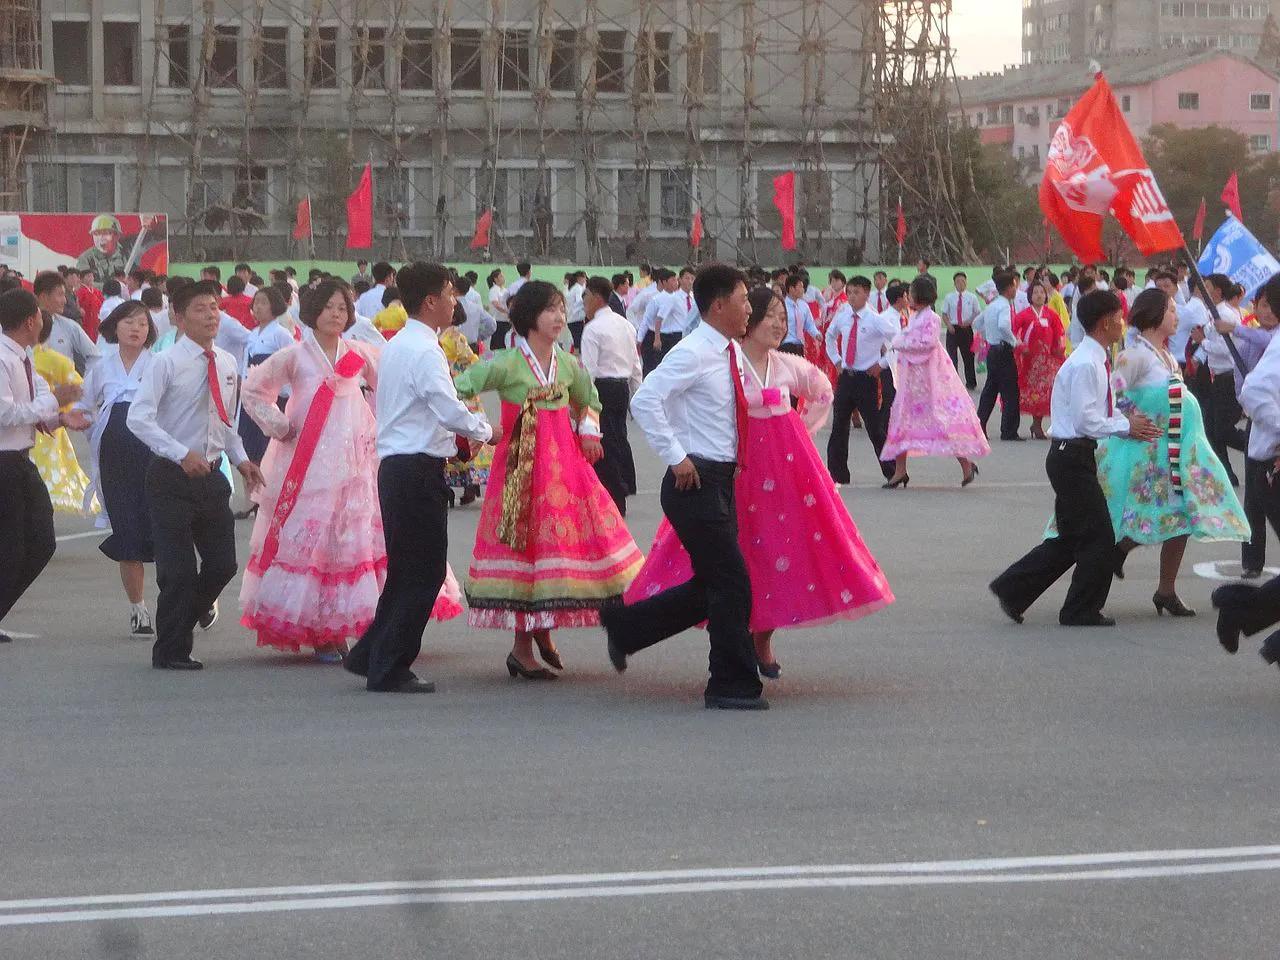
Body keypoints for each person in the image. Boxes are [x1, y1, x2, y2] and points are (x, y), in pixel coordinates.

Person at [626, 286, 894, 679]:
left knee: (780, 550)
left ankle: (762, 638)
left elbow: (823, 390)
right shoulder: (725, 361)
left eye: (783, 318)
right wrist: (683, 447)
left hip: (785, 471)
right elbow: (680, 402)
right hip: (738, 470)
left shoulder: (786, 364)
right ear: (748, 319)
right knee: (734, 555)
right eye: (771, 316)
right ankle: (705, 637)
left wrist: (799, 430)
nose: (779, 324)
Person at [238, 281, 462, 663]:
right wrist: (280, 426)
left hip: (357, 457)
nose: (336, 314)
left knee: (356, 537)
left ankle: (369, 625)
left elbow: (392, 383)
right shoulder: (293, 356)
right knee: (318, 540)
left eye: (342, 307)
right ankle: (323, 632)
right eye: (328, 307)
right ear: (313, 310)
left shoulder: (359, 353)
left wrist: (388, 419)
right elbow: (253, 390)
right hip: (308, 459)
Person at [452, 280, 643, 680]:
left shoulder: (568, 364)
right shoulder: (506, 362)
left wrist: (588, 432)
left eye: (561, 309)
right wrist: (479, 428)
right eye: (550, 310)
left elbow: (590, 400)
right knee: (526, 552)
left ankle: (543, 631)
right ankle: (522, 647)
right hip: (521, 471)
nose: (559, 317)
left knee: (561, 547)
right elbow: (458, 386)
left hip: (565, 471)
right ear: (528, 317)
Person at [603, 263, 766, 710]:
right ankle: (731, 684)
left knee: (713, 584)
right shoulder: (693, 351)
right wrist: (676, 456)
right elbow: (646, 399)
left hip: (720, 481)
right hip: (695, 483)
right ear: (719, 306)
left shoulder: (728, 352)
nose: (749, 309)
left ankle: (626, 628)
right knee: (732, 584)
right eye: (744, 301)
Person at [343, 262, 497, 694]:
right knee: (424, 573)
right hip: (415, 469)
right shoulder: (426, 350)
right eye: (449, 293)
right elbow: (447, 407)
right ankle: (390, 666)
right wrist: (487, 431)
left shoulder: (400, 344)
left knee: (406, 571)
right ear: (430, 301)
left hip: (399, 467)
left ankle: (371, 653)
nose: (454, 301)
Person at [990, 290, 1161, 628]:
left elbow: (1096, 414)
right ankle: (1079, 610)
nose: (1123, 323)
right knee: (1100, 537)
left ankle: (1013, 588)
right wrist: (1126, 426)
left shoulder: (1094, 359)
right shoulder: (1086, 363)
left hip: (1074, 455)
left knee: (1071, 538)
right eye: (1119, 317)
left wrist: (1127, 424)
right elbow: (1086, 421)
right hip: (1071, 456)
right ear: (1105, 322)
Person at [127, 280, 266, 671]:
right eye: (201, 309)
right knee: (178, 572)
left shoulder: (226, 361)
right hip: (170, 476)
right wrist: (180, 452)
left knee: (223, 565)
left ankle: (175, 631)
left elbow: (225, 420)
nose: (211, 315)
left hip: (211, 477)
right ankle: (171, 651)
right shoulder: (165, 362)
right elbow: (138, 418)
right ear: (179, 317)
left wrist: (241, 459)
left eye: (215, 307)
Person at [1097, 288, 1248, 615]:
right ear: (1154, 315)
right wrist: (1130, 419)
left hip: (1173, 454)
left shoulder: (1164, 355)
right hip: (1147, 456)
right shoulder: (1134, 355)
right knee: (1152, 516)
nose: (1176, 315)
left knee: (1179, 519)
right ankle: (1117, 552)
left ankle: (1165, 590)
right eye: (1170, 310)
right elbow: (1112, 393)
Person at [0, 289, 88, 644]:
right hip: (5, 462)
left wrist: (60, 418)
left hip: (20, 459)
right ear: (29, 321)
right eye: (39, 314)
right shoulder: (3, 359)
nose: (42, 320)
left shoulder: (24, 357)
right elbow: (7, 414)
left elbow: (35, 410)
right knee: (14, 546)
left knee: (41, 542)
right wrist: (55, 399)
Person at [73, 300, 158, 637]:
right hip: (115, 458)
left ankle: (192, 597)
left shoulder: (160, 364)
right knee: (127, 531)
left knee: (165, 531)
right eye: (129, 322)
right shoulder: (101, 367)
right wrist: (83, 421)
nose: (136, 329)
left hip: (154, 455)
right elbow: (84, 405)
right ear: (114, 327)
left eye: (142, 323)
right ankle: (138, 609)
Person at [880, 276, 989, 488]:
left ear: (919, 295)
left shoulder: (932, 318)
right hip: (911, 381)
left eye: (911, 293)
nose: (908, 297)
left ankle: (966, 464)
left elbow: (927, 344)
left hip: (930, 380)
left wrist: (901, 342)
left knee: (943, 421)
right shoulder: (915, 316)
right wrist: (901, 341)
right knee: (902, 422)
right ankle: (900, 470)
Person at [1225, 276, 1280, 578]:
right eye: (1263, 305)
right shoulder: (1268, 341)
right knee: (1253, 503)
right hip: (1269, 449)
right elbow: (1251, 389)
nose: (1267, 311)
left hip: (1266, 437)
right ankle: (1251, 563)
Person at [824, 275, 899, 483]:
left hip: (866, 379)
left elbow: (898, 341)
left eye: (856, 292)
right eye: (849, 292)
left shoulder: (876, 319)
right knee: (839, 426)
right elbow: (830, 336)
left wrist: (882, 364)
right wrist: (836, 360)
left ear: (867, 294)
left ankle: (893, 471)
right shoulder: (843, 315)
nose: (851, 296)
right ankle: (837, 474)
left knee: (875, 428)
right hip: (846, 378)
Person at [579, 275, 643, 515]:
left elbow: (589, 371)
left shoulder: (593, 329)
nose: (583, 302)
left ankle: (613, 496)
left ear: (597, 297)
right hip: (622, 388)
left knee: (604, 443)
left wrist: (583, 403)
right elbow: (635, 363)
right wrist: (637, 393)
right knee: (619, 437)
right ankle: (625, 485)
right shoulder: (625, 325)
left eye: (586, 296)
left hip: (601, 389)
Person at [234, 286, 296, 521]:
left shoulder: (281, 334)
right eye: (256, 302)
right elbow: (245, 366)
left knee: (268, 449)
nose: (257, 307)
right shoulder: (252, 334)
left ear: (275, 305)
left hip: (272, 399)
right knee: (249, 447)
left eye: (263, 302)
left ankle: (270, 497)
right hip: (251, 400)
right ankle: (252, 499)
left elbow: (290, 365)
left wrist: (286, 397)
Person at [32, 312, 95, 514]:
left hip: (45, 425)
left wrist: (64, 409)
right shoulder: (47, 358)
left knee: (41, 474)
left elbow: (77, 388)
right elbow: (78, 388)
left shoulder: (52, 359)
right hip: (42, 423)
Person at [439, 302, 494, 507]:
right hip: (458, 387)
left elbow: (470, 361)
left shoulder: (453, 337)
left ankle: (468, 483)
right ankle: (467, 483)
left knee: (464, 435)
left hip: (458, 388)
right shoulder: (449, 336)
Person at [1012, 280, 1066, 441]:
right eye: (1035, 292)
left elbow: (1059, 333)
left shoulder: (1051, 315)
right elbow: (1013, 333)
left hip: (1046, 362)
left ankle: (1037, 424)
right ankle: (1026, 424)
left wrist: (1058, 349)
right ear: (1030, 295)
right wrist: (1021, 347)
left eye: (1042, 292)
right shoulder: (1023, 315)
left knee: (1044, 392)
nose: (1039, 295)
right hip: (1028, 361)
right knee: (1029, 391)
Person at [974, 271, 1023, 442]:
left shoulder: (992, 305)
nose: (1016, 290)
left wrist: (988, 335)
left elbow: (977, 323)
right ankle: (1009, 431)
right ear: (1009, 288)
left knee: (990, 389)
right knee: (1010, 392)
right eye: (1014, 286)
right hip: (1003, 351)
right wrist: (1014, 341)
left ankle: (980, 424)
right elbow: (1003, 326)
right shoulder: (1004, 306)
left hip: (992, 350)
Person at [35, 270, 100, 375]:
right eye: (60, 295)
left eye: (64, 295)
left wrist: (85, 382)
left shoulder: (69, 326)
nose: (65, 300)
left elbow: (95, 357)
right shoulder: (24, 328)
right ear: (44, 297)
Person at [940, 272, 982, 389]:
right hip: (953, 329)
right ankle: (953, 383)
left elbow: (977, 312)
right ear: (954, 283)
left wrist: (969, 322)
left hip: (966, 329)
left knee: (968, 357)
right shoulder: (949, 297)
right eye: (958, 281)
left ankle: (971, 383)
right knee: (952, 358)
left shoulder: (972, 297)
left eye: (963, 281)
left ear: (966, 282)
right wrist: (949, 325)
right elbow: (944, 313)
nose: (960, 284)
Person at [781, 274, 818, 357]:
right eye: (800, 287)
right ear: (791, 289)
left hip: (799, 345)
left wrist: (816, 334)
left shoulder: (804, 305)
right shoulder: (782, 306)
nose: (803, 290)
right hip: (785, 345)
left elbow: (809, 324)